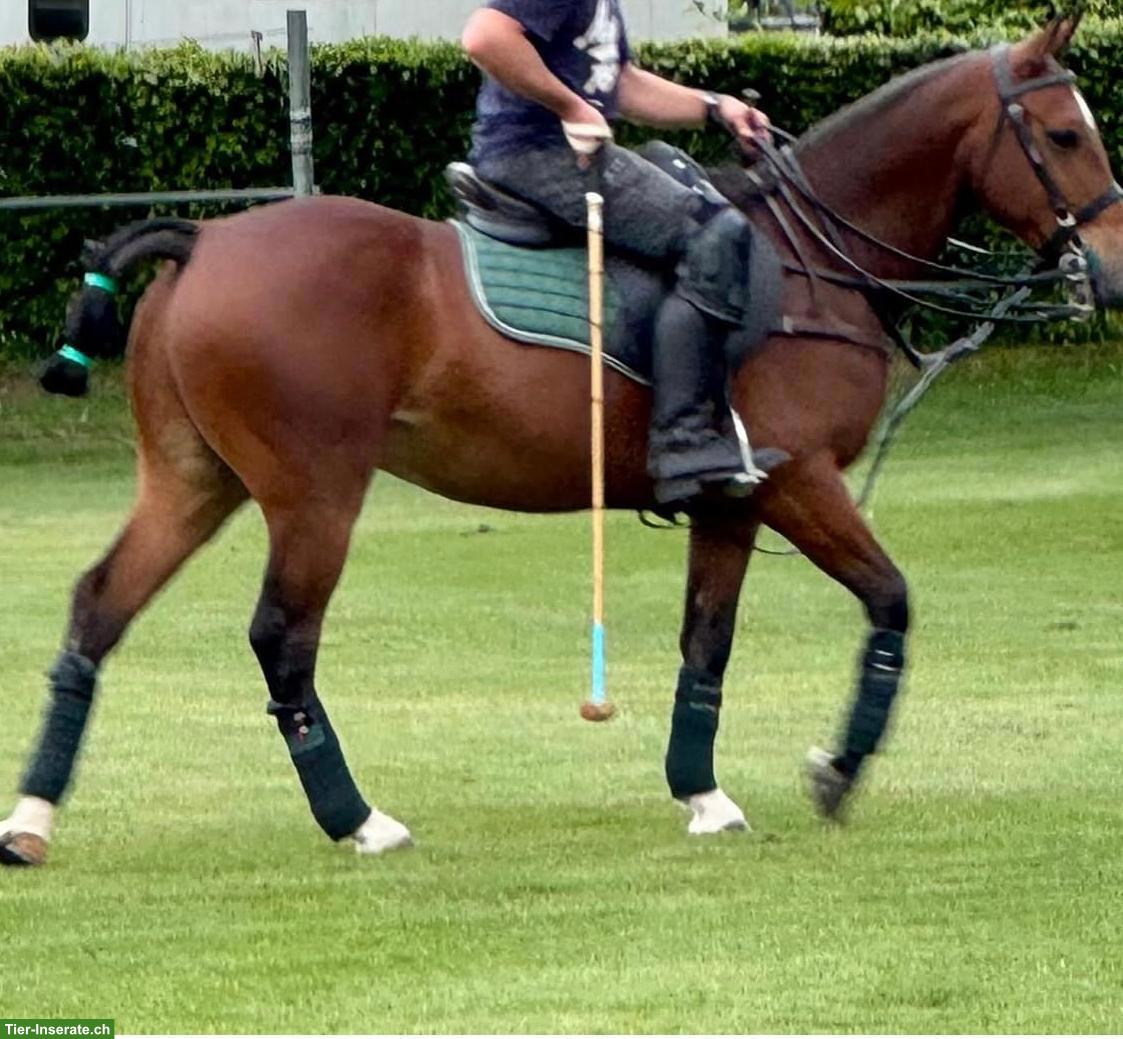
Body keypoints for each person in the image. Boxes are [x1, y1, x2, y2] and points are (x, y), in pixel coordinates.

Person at [461, 0, 775, 509]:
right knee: (713, 234)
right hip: (536, 155)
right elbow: (485, 37)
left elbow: (620, 84)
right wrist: (571, 107)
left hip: (554, 151)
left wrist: (716, 106)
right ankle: (683, 440)